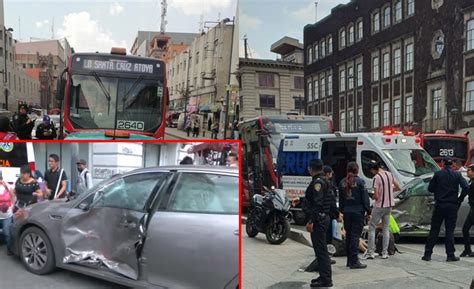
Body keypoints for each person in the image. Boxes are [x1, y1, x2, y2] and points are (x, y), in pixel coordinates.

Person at [422, 157, 469, 262]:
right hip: (452, 205)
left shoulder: (438, 174)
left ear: (442, 163)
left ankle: (428, 254)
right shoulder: (457, 175)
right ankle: (450, 254)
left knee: (434, 229)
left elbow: (430, 188)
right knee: (449, 231)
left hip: (440, 204)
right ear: (452, 163)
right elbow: (466, 187)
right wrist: (459, 199)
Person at [303, 159, 333, 288]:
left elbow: (317, 203)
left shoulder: (318, 182)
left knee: (321, 251)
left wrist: (311, 221)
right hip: (323, 218)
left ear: (311, 169)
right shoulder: (326, 180)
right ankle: (323, 276)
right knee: (321, 250)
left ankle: (326, 280)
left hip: (319, 220)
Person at [363, 160, 400, 260]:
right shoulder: (389, 174)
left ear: (373, 169)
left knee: (372, 226)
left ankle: (370, 252)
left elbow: (376, 195)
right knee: (385, 228)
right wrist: (388, 191)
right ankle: (385, 252)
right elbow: (398, 187)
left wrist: (373, 196)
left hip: (379, 206)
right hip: (389, 206)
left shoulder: (376, 178)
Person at [339, 162, 370, 269]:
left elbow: (341, 200)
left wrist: (342, 211)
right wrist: (368, 211)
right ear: (357, 170)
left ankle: (349, 260)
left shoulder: (342, 182)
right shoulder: (361, 182)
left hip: (347, 212)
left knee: (348, 236)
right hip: (358, 212)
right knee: (355, 236)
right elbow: (365, 199)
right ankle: (354, 260)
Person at [458, 164, 474, 257]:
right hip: (472, 209)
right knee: (465, 229)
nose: (467, 172)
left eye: (469, 170)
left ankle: (467, 249)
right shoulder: (470, 182)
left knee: (466, 229)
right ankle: (467, 249)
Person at [0, 171, 14, 255]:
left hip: (7, 215)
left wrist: (11, 206)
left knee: (7, 233)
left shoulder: (7, 185)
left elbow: (13, 197)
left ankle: (9, 249)